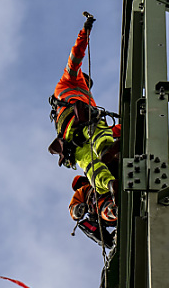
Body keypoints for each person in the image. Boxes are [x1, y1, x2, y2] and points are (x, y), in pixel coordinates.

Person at [49, 13, 118, 222]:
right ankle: (106, 150)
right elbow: (76, 57)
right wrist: (85, 32)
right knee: (99, 133)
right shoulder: (70, 81)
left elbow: (116, 130)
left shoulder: (77, 96)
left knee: (90, 164)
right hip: (82, 122)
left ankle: (108, 184)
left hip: (71, 141)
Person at [70, 175, 115, 250]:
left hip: (105, 201)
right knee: (86, 225)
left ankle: (114, 211)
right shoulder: (85, 192)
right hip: (102, 212)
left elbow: (73, 206)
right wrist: (79, 209)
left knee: (106, 211)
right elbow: (73, 208)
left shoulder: (90, 187)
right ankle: (111, 242)